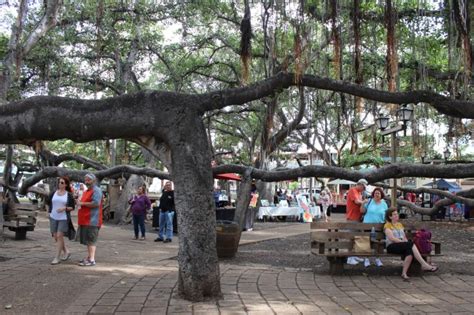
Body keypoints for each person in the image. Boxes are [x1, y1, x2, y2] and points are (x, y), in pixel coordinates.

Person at [384, 207, 438, 280]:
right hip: (392, 246)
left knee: (409, 252)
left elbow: (404, 237)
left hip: (402, 245)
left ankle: (404, 273)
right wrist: (403, 242)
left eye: (397, 214)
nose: (396, 216)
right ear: (390, 217)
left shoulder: (399, 225)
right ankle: (424, 264)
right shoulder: (387, 225)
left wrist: (405, 241)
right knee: (410, 244)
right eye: (394, 214)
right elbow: (392, 238)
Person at [76, 173, 103, 266]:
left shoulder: (97, 190)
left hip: (93, 220)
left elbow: (96, 203)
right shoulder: (87, 191)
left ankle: (92, 260)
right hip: (86, 219)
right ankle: (89, 257)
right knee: (88, 240)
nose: (87, 182)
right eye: (86, 180)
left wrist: (82, 203)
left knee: (91, 240)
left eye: (89, 180)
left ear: (94, 180)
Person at [48, 176, 75, 265]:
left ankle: (57, 257)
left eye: (62, 182)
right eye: (59, 182)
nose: (60, 184)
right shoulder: (53, 193)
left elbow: (72, 207)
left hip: (63, 218)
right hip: (53, 217)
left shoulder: (69, 195)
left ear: (66, 184)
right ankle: (66, 251)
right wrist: (48, 212)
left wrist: (64, 208)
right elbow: (49, 203)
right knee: (56, 237)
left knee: (59, 235)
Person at [361, 187, 388, 267]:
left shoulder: (384, 203)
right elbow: (362, 211)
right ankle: (366, 259)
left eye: (379, 193)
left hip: (379, 226)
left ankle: (377, 259)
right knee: (367, 243)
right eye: (375, 193)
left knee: (378, 244)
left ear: (381, 195)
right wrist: (363, 203)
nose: (377, 194)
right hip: (368, 225)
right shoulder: (369, 201)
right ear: (373, 194)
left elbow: (386, 215)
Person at [346, 178, 368, 265]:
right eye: (364, 187)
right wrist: (364, 202)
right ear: (360, 184)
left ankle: (354, 255)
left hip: (358, 218)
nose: (364, 189)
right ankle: (349, 257)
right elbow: (357, 201)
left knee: (357, 237)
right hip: (352, 218)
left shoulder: (359, 193)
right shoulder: (353, 190)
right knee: (351, 237)